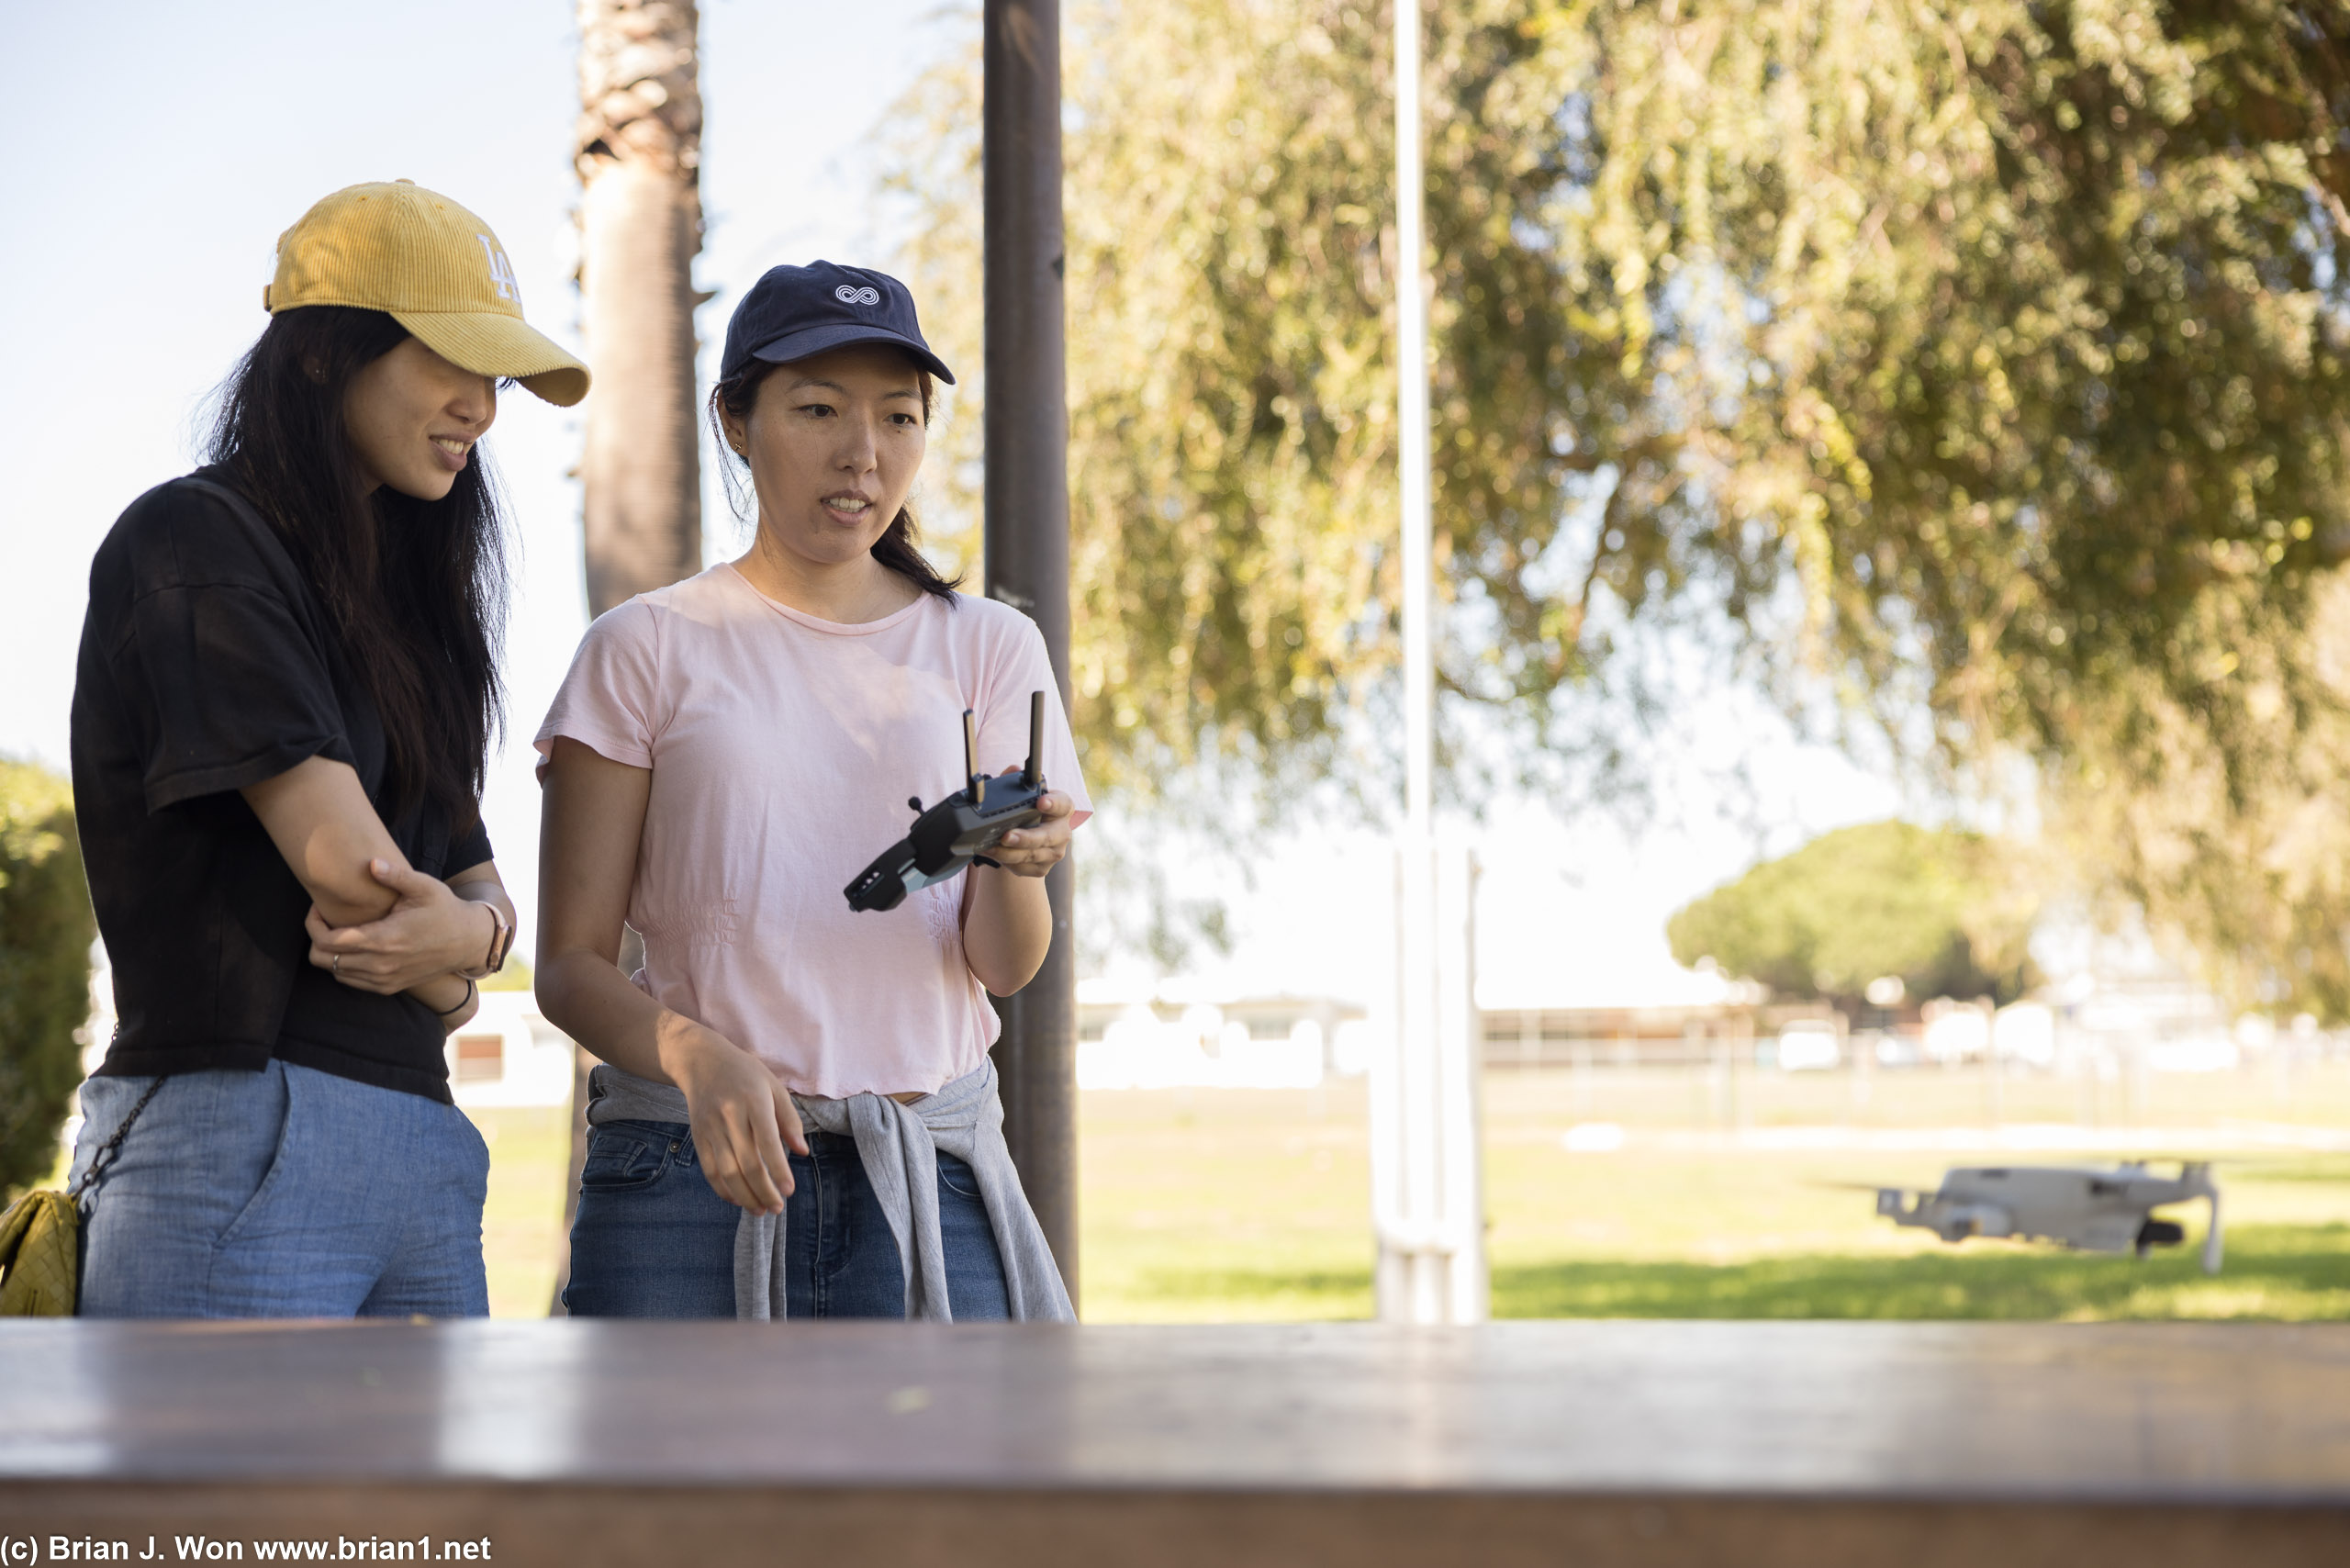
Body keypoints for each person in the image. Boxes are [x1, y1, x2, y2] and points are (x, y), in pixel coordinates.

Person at [65, 181, 590, 1317]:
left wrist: (464, 943)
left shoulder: (408, 614)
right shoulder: (194, 540)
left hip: (424, 1140)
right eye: (450, 362)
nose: (482, 410)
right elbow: (357, 884)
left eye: (495, 379)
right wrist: (465, 949)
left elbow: (475, 902)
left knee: (436, 1510)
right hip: (243, 1125)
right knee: (225, 1507)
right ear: (320, 355)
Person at [536, 261, 1088, 1320]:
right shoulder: (642, 648)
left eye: (898, 417)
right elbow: (566, 967)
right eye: (818, 409)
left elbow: (1004, 968)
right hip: (687, 1169)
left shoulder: (989, 647)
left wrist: (1016, 869)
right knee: (669, 1493)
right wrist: (694, 1054)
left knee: (958, 1487)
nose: (862, 454)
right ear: (736, 421)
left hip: (931, 1169)